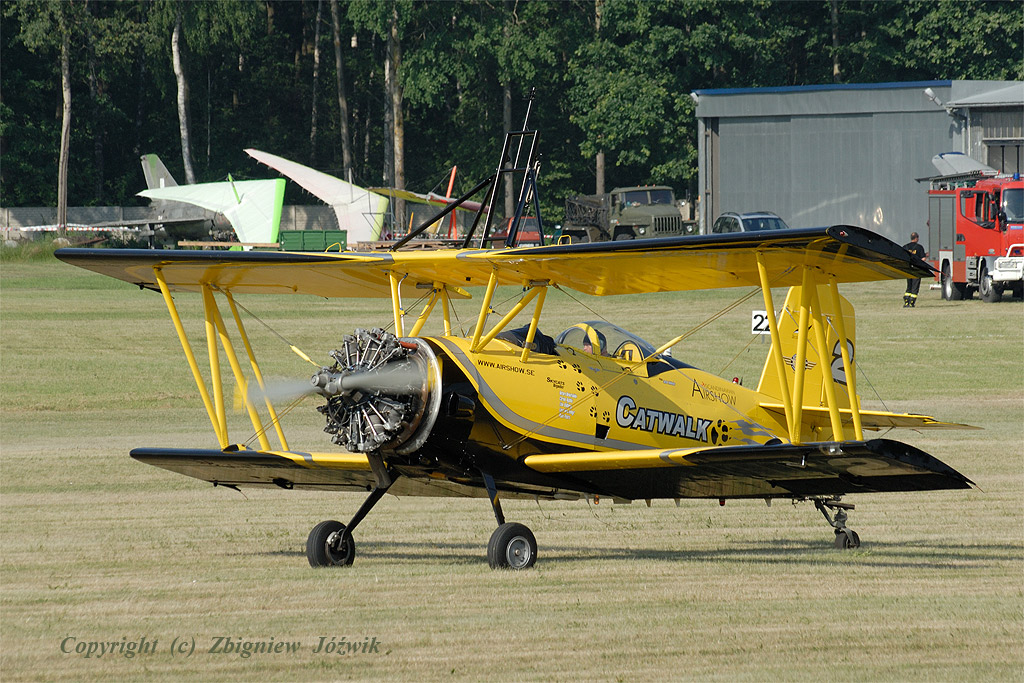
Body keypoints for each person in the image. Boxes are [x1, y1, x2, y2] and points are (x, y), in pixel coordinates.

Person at [902, 232, 927, 307]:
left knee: (909, 286)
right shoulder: (919, 247)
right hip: (916, 270)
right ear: (916, 238)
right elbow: (923, 258)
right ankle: (912, 302)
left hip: (908, 269)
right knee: (915, 287)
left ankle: (906, 302)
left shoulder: (905, 247)